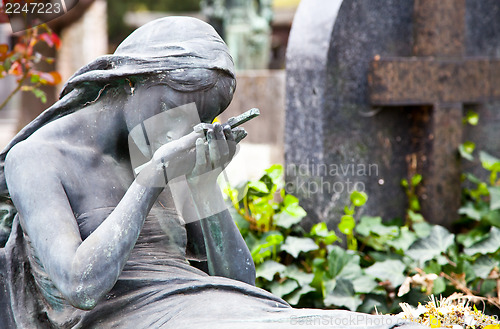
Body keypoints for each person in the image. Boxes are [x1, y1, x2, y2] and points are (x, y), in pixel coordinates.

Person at [0, 17, 425, 329]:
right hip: (129, 314)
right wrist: (152, 179)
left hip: (207, 304)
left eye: (198, 118)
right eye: (174, 107)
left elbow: (239, 281)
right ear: (131, 80)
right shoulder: (38, 157)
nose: (183, 127)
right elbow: (81, 286)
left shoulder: (156, 143)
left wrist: (204, 184)